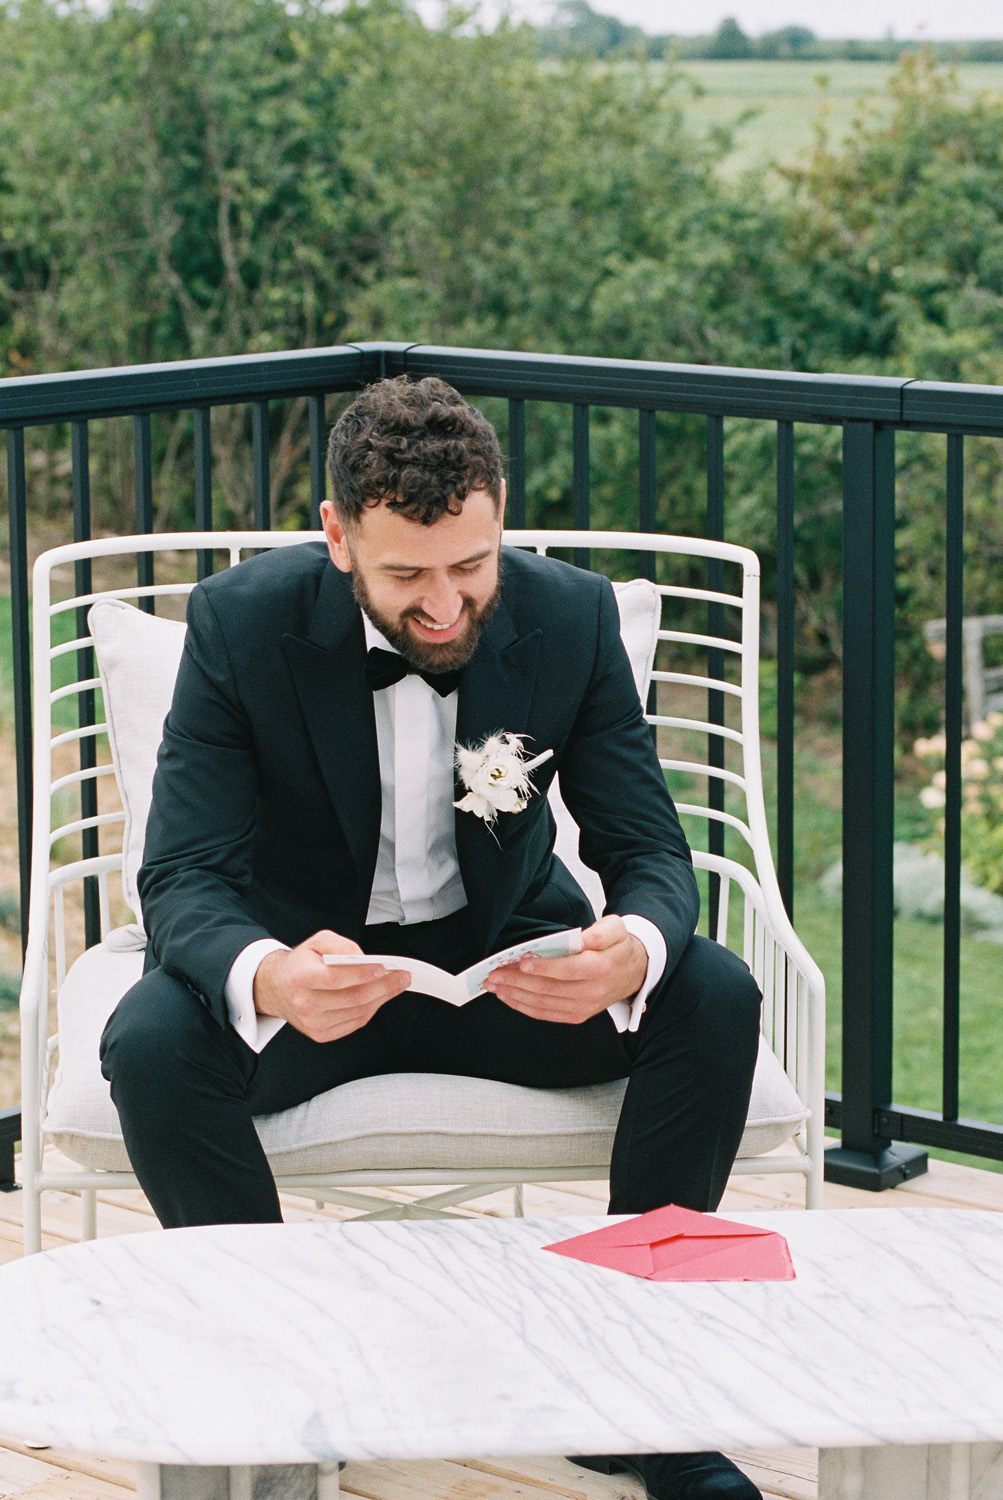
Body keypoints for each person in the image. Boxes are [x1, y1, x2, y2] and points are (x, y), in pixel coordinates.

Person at [101, 376, 763, 1500]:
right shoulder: (239, 624)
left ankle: (638, 1396)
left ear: (499, 514)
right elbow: (183, 873)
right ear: (337, 536)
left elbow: (648, 846)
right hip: (318, 987)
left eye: (472, 564)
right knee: (153, 1042)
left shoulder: (569, 617)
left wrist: (633, 945)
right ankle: (282, 1392)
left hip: (510, 976)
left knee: (714, 994)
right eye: (407, 574)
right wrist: (269, 975)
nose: (447, 606)